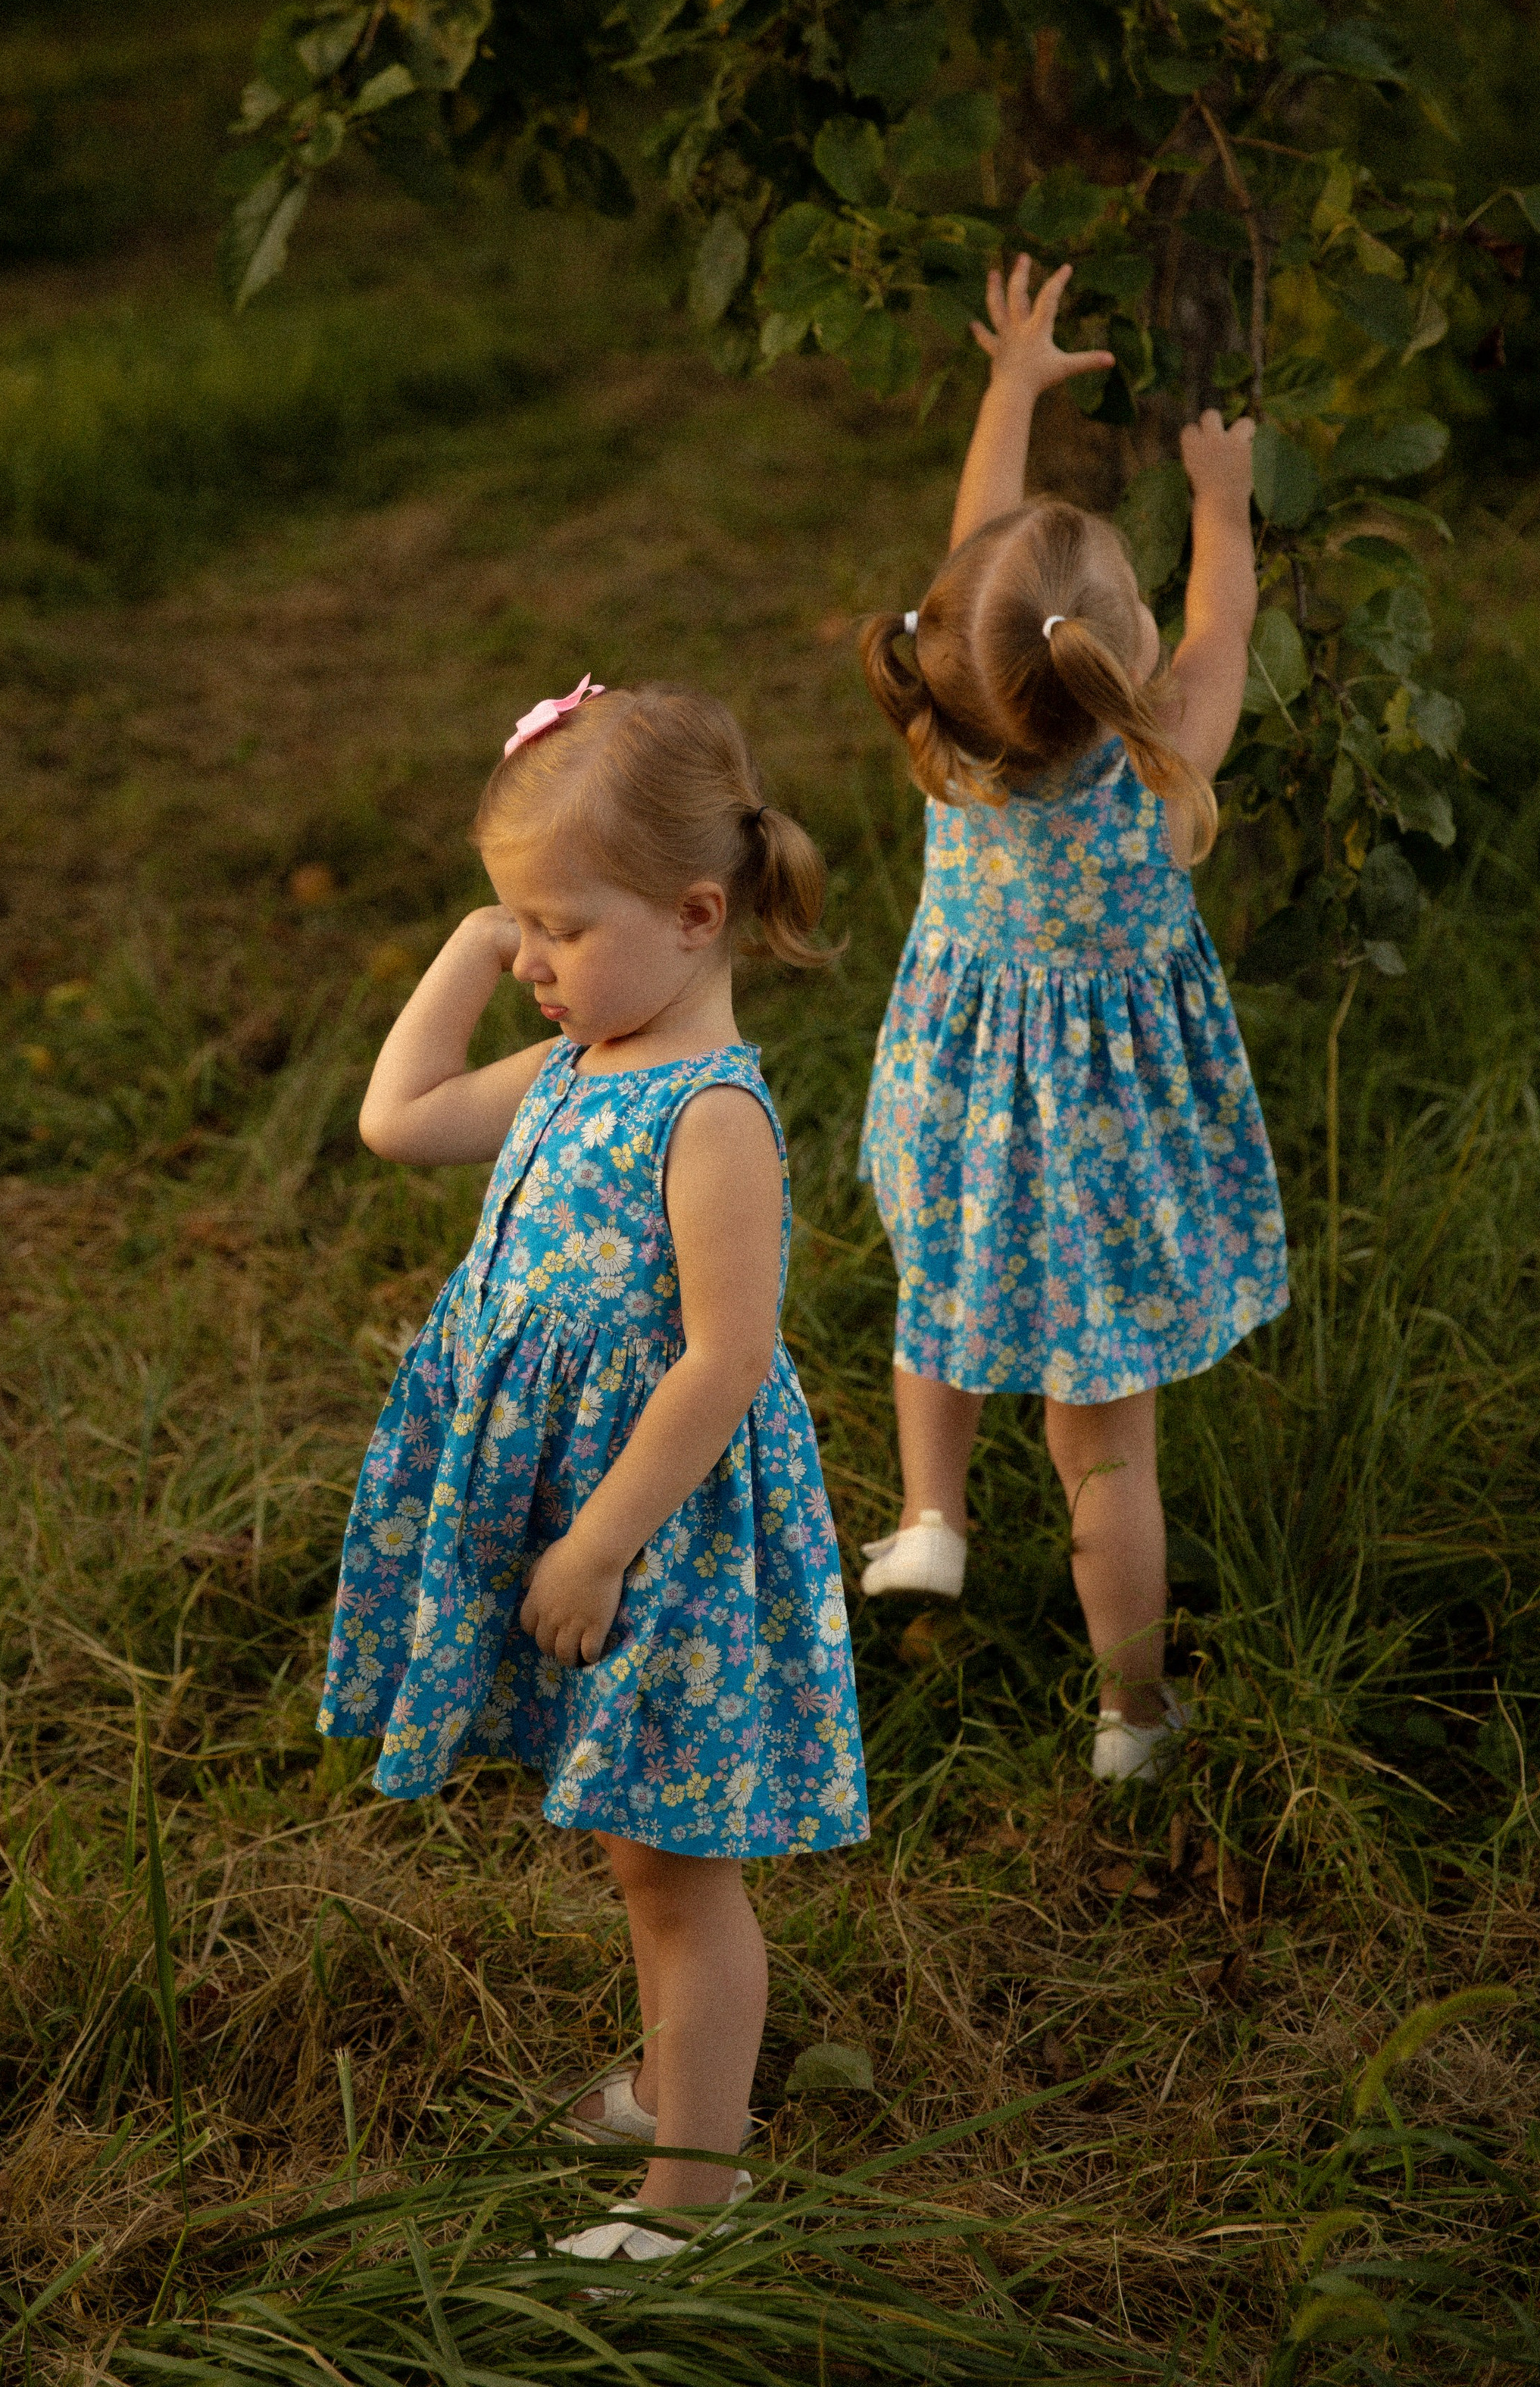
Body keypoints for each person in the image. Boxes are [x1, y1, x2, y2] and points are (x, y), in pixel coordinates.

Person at [319, 678, 867, 2258]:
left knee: (679, 1874)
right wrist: (474, 943)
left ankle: (692, 2196)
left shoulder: (708, 1115)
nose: (532, 962)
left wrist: (596, 1548)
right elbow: (396, 1117)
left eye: (556, 928)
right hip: (588, 1527)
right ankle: (664, 2089)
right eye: (519, 928)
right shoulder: (572, 1070)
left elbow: (725, 1359)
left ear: (696, 915)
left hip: (662, 1539)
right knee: (635, 1852)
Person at [854, 256, 1289, 1782]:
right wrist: (1220, 501)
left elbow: (968, 563)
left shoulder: (943, 751)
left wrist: (1009, 388)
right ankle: (1130, 1721)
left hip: (953, 1115)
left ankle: (929, 1517)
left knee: (941, 1301)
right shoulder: (1160, 776)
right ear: (1125, 663)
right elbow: (1223, 629)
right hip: (1105, 1164)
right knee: (1103, 1447)